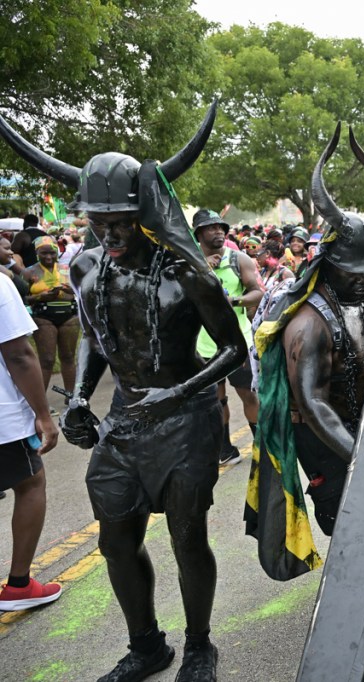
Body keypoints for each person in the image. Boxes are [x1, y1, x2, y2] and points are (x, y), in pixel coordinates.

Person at [0, 101, 247, 681]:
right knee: (116, 543)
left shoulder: (189, 273)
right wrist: (82, 397)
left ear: (145, 213)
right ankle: (146, 645)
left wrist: (181, 391)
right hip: (122, 423)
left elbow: (234, 349)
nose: (107, 235)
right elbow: (95, 336)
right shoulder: (86, 267)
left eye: (120, 223)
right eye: (97, 222)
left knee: (189, 541)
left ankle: (199, 647)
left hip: (184, 421)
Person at [246, 125, 364, 574]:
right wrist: (360, 454)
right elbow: (313, 405)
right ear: (328, 262)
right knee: (349, 524)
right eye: (353, 271)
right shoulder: (308, 325)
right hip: (327, 437)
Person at [0, 272, 61, 612]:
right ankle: (19, 585)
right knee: (31, 482)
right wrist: (43, 415)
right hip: (2, 417)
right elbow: (19, 354)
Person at [193, 208, 264, 466]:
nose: (219, 232)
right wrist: (201, 271)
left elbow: (257, 292)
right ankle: (225, 448)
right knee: (216, 398)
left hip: (238, 342)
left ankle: (261, 445)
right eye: (212, 228)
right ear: (199, 233)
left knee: (248, 394)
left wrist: (233, 300)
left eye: (221, 227)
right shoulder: (190, 262)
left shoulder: (240, 259)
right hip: (204, 344)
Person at [20, 235, 79, 396]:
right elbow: (22, 299)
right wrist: (40, 297)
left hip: (69, 315)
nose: (48, 257)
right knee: (47, 360)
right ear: (37, 253)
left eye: (52, 253)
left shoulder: (67, 269)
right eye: (43, 253)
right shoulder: (29, 272)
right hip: (43, 317)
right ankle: (39, 400)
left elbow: (81, 291)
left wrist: (70, 290)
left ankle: (71, 396)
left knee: (68, 357)